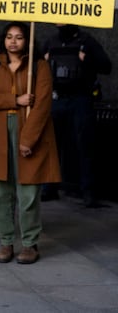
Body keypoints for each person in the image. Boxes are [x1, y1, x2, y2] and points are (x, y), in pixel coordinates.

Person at [0, 22, 61, 265]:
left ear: (27, 41)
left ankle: (29, 244)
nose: (13, 41)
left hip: (28, 132)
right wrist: (15, 99)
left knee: (28, 194)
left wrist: (28, 139)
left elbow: (43, 105)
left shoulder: (39, 66)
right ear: (4, 39)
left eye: (19, 37)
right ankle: (5, 241)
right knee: (0, 193)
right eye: (9, 37)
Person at [41, 24, 111, 207]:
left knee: (85, 146)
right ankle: (50, 187)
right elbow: (37, 68)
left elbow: (106, 66)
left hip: (81, 98)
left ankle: (88, 191)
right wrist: (44, 61)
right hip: (57, 98)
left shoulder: (86, 41)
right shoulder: (51, 41)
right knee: (52, 145)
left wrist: (87, 60)